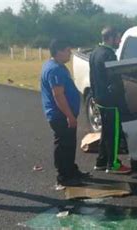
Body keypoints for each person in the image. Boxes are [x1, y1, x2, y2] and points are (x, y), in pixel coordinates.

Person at [41, 39, 89, 188]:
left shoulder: (58, 66)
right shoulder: (55, 69)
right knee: (63, 145)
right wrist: (69, 115)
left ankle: (71, 170)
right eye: (68, 50)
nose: (70, 54)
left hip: (65, 114)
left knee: (69, 144)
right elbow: (58, 95)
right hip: (60, 115)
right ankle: (63, 176)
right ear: (59, 51)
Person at [90, 27, 131, 174]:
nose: (120, 41)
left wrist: (95, 96)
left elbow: (93, 78)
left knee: (106, 132)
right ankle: (113, 164)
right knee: (113, 133)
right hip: (111, 101)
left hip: (100, 98)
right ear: (110, 38)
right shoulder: (108, 55)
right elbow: (115, 81)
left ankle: (101, 161)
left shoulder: (95, 52)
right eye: (118, 38)